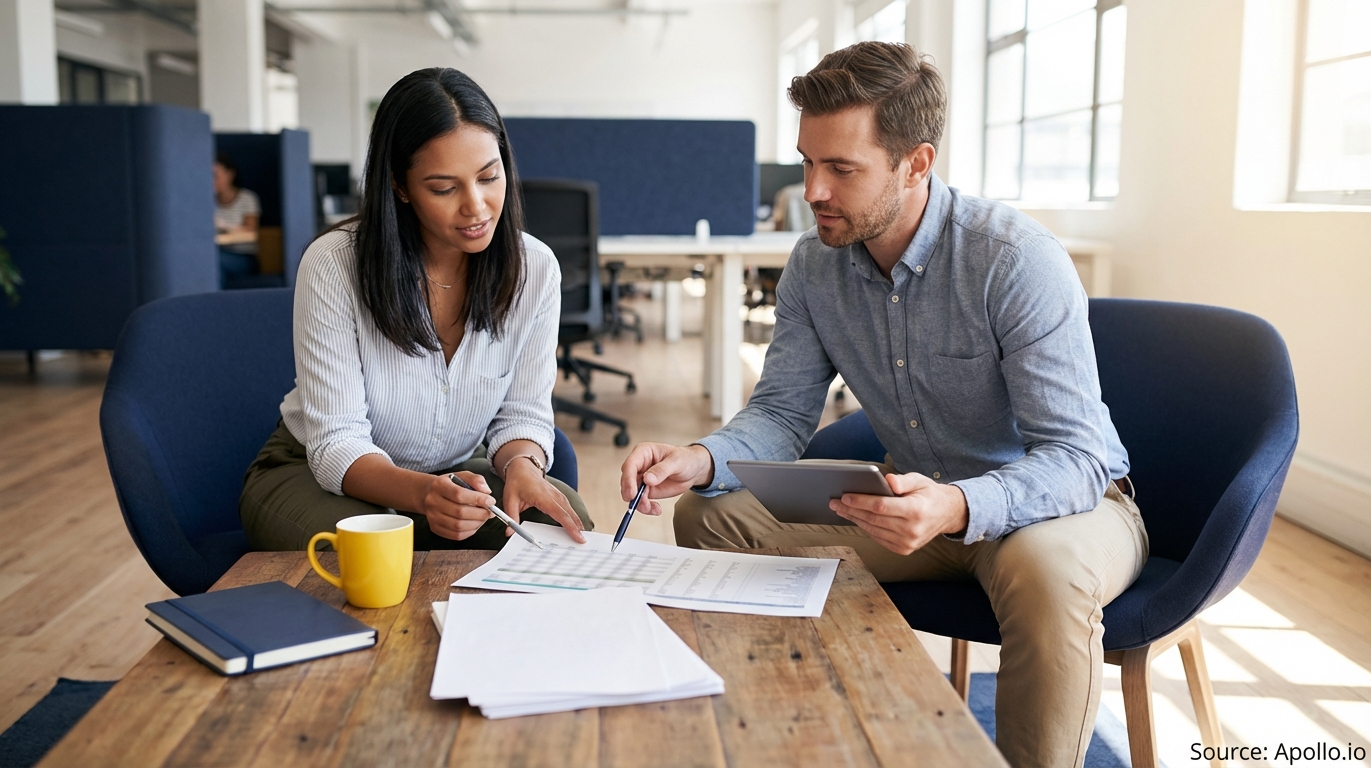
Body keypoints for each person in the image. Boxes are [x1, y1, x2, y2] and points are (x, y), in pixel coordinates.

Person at [618, 42, 1147, 768]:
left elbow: (1079, 458)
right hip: (909, 510)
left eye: (841, 169)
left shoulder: (1014, 260)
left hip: (1053, 508)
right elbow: (780, 413)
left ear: (916, 164)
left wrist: (958, 504)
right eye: (808, 162)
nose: (812, 190)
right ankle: (802, 724)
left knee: (1048, 577)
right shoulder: (813, 264)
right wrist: (701, 457)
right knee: (709, 513)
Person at [240, 67, 592, 552]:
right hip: (321, 473)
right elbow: (336, 442)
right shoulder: (334, 264)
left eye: (489, 176)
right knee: (374, 556)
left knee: (563, 534)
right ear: (400, 187)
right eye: (444, 189)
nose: (477, 207)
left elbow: (521, 415)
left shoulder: (534, 268)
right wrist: (424, 495)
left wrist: (522, 467)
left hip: (451, 473)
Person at [213, 152, 261, 286]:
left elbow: (250, 232)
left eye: (215, 175)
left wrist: (225, 227)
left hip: (242, 256)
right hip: (215, 251)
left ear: (230, 174)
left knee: (214, 261)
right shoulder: (207, 201)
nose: (211, 180)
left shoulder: (247, 198)